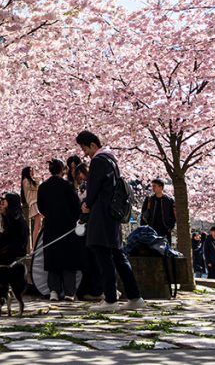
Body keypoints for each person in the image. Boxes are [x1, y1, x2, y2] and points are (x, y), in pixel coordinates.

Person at [76, 130, 144, 312]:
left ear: (92, 145)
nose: (85, 153)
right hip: (112, 216)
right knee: (118, 255)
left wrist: (86, 205)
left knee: (103, 254)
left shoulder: (98, 161)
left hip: (101, 215)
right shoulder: (112, 161)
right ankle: (135, 296)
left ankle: (111, 299)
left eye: (85, 148)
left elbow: (94, 188)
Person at [37, 158, 82, 301]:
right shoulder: (67, 186)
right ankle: (69, 292)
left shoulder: (43, 187)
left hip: (50, 226)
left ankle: (53, 291)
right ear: (63, 170)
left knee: (52, 260)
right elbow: (76, 206)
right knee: (69, 260)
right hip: (67, 227)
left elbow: (41, 207)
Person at [140, 179, 177, 244]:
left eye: (155, 186)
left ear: (161, 187)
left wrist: (170, 227)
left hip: (165, 230)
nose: (153, 188)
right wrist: (143, 228)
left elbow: (173, 215)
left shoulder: (169, 200)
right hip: (152, 229)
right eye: (152, 186)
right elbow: (143, 214)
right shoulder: (149, 199)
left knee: (165, 250)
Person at [20, 167, 41, 250]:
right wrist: (37, 180)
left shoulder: (30, 180)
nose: (32, 172)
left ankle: (36, 244)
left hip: (36, 202)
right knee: (37, 224)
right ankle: (35, 246)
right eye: (30, 171)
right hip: (34, 203)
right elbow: (35, 187)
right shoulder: (26, 180)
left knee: (38, 224)